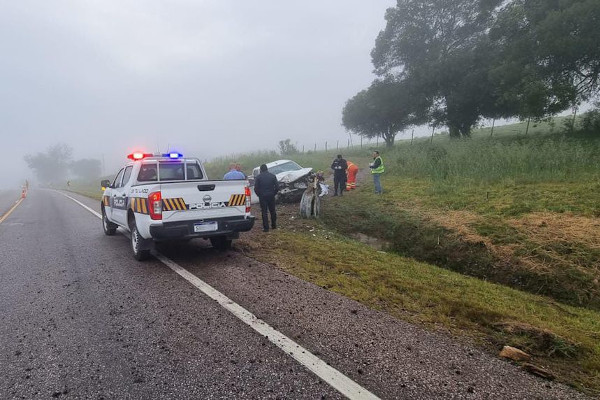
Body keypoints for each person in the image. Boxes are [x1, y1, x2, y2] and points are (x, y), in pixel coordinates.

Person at [254, 164, 279, 232]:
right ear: (267, 169)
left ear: (261, 170)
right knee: (272, 211)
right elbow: (277, 187)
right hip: (271, 195)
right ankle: (274, 225)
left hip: (262, 196)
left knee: (264, 212)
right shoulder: (272, 176)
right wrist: (273, 193)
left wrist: (259, 195)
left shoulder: (258, 177)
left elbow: (256, 188)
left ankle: (266, 228)